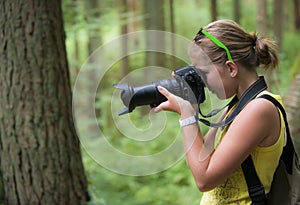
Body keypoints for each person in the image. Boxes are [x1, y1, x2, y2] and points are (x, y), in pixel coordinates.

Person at [153, 19, 285, 204]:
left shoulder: (259, 109)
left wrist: (187, 116)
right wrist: (190, 107)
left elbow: (204, 179)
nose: (202, 82)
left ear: (231, 68)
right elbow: (198, 160)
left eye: (204, 73)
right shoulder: (238, 107)